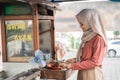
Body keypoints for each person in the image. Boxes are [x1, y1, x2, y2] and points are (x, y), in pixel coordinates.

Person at [60, 9, 108, 80]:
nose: (80, 26)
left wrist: (71, 66)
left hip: (92, 74)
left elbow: (95, 62)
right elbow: (86, 57)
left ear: (90, 23)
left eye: (82, 24)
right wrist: (75, 60)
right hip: (83, 72)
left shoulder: (98, 39)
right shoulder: (87, 36)